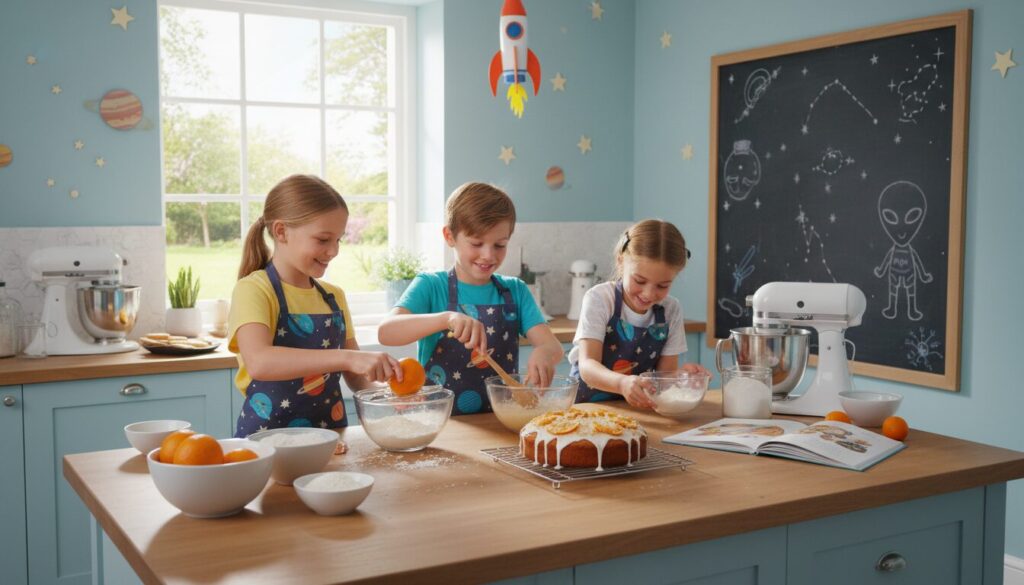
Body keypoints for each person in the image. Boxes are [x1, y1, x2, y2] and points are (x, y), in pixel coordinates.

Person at [229, 174, 402, 437]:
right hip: (267, 443)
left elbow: (355, 377)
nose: (334, 251)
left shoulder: (334, 297)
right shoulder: (254, 289)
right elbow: (260, 362)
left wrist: (391, 394)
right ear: (281, 231)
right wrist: (349, 357)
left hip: (330, 438)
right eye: (323, 239)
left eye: (338, 240)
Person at [377, 182, 564, 415]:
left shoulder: (515, 291)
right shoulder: (431, 285)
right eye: (476, 243)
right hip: (438, 423)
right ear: (449, 236)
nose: (488, 255)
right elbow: (387, 332)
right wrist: (447, 318)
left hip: (498, 419)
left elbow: (553, 347)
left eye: (500, 245)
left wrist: (544, 353)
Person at [569, 219, 709, 409]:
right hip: (587, 408)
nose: (649, 294)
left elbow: (663, 378)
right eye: (640, 281)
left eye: (662, 286)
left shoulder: (671, 310)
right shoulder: (600, 299)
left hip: (637, 410)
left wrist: (681, 377)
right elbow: (587, 366)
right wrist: (621, 383)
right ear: (621, 261)